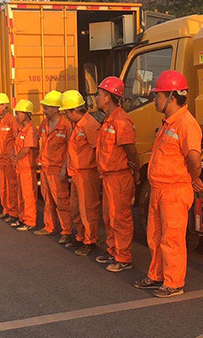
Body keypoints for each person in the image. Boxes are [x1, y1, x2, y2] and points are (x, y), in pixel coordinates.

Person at [134, 70, 203, 298]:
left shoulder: (186, 123)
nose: (154, 99)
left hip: (174, 190)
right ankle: (156, 276)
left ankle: (174, 283)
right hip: (160, 189)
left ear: (171, 96)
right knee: (155, 237)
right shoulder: (169, 123)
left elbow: (194, 159)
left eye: (158, 95)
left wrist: (193, 178)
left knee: (171, 239)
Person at [95, 77, 140, 273]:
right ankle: (113, 251)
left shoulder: (121, 121)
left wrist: (135, 172)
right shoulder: (109, 120)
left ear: (108, 97)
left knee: (120, 217)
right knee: (109, 217)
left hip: (119, 177)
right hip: (108, 176)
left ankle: (123, 257)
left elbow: (131, 152)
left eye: (99, 94)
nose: (96, 97)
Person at [60, 90, 101, 256]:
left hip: (87, 173)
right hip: (77, 172)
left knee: (88, 209)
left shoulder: (90, 125)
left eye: (67, 113)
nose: (66, 116)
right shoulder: (77, 125)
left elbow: (97, 150)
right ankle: (81, 236)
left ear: (75, 111)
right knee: (76, 208)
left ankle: (90, 241)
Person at [35, 90, 73, 244]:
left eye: (47, 107)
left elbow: (71, 149)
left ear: (56, 108)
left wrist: (65, 167)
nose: (44, 110)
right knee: (48, 199)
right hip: (45, 167)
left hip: (58, 169)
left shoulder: (66, 126)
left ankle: (67, 231)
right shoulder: (44, 123)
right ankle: (49, 226)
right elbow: (40, 140)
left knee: (61, 201)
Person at [11, 99, 38, 232]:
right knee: (20, 194)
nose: (17, 116)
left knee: (28, 195)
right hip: (20, 167)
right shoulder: (22, 129)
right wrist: (13, 156)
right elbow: (16, 146)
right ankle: (22, 218)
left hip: (27, 167)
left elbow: (26, 149)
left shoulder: (30, 130)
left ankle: (30, 220)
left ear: (26, 114)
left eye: (19, 113)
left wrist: (16, 158)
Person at [0, 93, 19, 224]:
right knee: (3, 187)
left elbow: (16, 139)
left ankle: (13, 212)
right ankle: (6, 210)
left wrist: (12, 155)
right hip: (2, 159)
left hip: (8, 160)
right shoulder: (0, 121)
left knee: (11, 186)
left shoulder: (11, 121)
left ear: (5, 106)